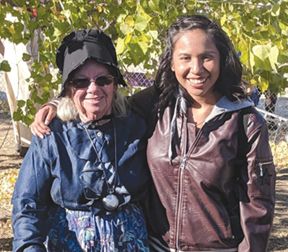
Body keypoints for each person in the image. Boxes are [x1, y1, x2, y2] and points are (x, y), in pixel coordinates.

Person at [31, 15, 276, 251]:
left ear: (222, 59)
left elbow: (258, 206)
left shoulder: (245, 122)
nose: (196, 68)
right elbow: (101, 100)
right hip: (155, 245)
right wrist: (56, 105)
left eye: (207, 57)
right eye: (185, 58)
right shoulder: (155, 106)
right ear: (172, 63)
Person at [12, 29, 151, 251]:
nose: (93, 89)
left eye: (103, 80)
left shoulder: (137, 124)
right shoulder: (52, 134)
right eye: (81, 82)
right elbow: (28, 204)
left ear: (114, 85)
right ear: (68, 88)